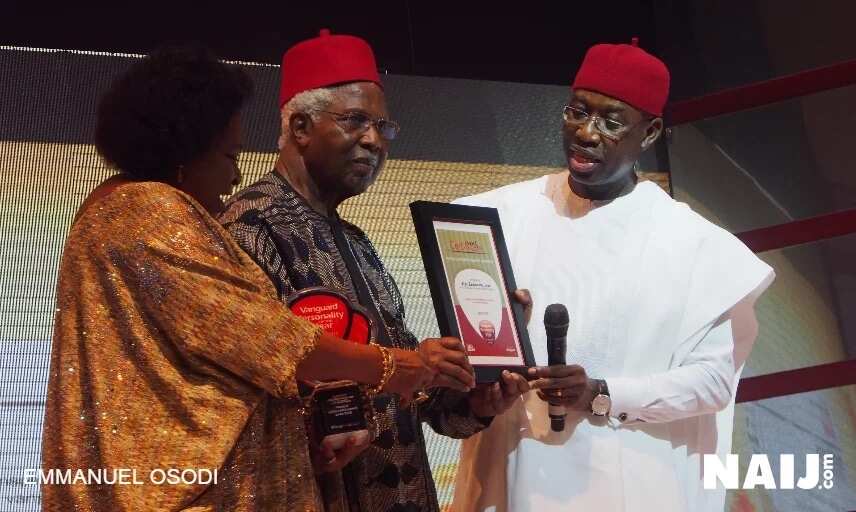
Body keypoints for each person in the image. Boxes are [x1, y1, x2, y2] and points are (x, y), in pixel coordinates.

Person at [40, 44, 440, 512]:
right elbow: (270, 342)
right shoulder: (152, 211)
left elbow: (215, 379)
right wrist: (393, 365)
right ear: (185, 151)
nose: (233, 179)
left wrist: (301, 445)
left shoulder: (123, 215)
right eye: (230, 156)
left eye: (382, 126)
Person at [451, 39, 775, 512]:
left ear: (650, 133)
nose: (585, 133)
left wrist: (601, 394)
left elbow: (712, 382)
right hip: (510, 472)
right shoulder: (496, 215)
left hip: (628, 484)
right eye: (576, 112)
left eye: (610, 121)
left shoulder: (696, 245)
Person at [219, 30, 530, 512]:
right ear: (300, 127)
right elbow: (258, 378)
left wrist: (473, 402)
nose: (374, 141)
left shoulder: (357, 241)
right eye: (355, 121)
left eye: (382, 127)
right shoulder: (250, 225)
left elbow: (412, 392)